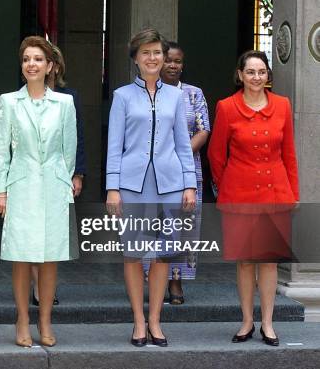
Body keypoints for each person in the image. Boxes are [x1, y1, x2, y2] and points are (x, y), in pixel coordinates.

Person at [106, 28, 196, 347]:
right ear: (135, 59)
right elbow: (114, 145)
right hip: (131, 185)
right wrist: (112, 188)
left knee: (164, 255)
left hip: (170, 185)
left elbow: (184, 145)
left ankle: (156, 320)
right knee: (132, 254)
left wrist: (189, 183)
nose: (153, 58)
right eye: (146, 52)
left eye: (157, 52)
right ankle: (138, 321)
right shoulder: (122, 96)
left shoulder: (176, 96)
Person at [208, 50, 299, 347]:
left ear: (268, 75)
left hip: (276, 193)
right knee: (246, 261)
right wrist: (229, 188)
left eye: (261, 72)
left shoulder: (283, 106)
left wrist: (293, 194)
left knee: (269, 262)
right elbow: (216, 155)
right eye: (250, 72)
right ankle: (247, 321)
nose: (256, 77)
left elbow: (289, 155)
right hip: (239, 196)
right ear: (240, 75)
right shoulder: (226, 107)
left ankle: (268, 324)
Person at [0, 35, 77, 348]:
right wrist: (1, 190)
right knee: (22, 256)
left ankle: (45, 320)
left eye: (38, 59)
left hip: (53, 186)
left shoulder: (64, 103)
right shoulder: (9, 102)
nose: (32, 64)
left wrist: (63, 184)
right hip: (21, 185)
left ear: (50, 66)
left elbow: (69, 150)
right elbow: (0, 150)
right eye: (27, 59)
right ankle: (23, 319)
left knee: (50, 257)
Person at [142, 41, 211, 304]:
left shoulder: (194, 94)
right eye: (169, 60)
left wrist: (177, 156)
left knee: (184, 227)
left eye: (178, 61)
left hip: (187, 174)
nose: (173, 65)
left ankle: (176, 281)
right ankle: (153, 279)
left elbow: (204, 129)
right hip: (152, 173)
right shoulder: (148, 93)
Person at [30, 43, 86, 306]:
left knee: (53, 235)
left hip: (59, 175)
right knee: (31, 233)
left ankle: (48, 286)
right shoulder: (23, 96)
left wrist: (78, 174)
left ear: (55, 66)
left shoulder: (69, 97)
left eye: (46, 60)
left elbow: (78, 139)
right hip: (30, 176)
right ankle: (36, 288)